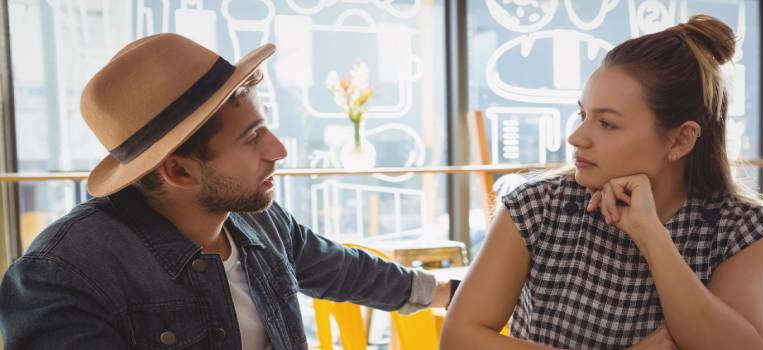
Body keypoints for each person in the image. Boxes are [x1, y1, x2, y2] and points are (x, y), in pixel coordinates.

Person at [0, 33, 450, 349]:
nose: (279, 149)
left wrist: (455, 293)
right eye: (252, 137)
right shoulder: (61, 274)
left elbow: (342, 270)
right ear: (179, 171)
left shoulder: (256, 217)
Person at [441, 14, 763, 350]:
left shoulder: (741, 227)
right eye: (583, 115)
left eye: (606, 123)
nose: (576, 137)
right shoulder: (537, 206)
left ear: (680, 141)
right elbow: (458, 340)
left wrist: (652, 236)